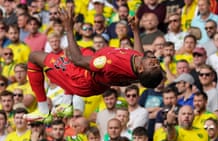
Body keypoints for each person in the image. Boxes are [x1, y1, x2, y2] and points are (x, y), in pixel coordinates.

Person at [26, 7, 164, 119]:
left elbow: (78, 60)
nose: (155, 60)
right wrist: (135, 30)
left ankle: (43, 110)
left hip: (81, 78)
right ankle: (67, 103)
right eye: (157, 63)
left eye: (152, 65)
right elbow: (138, 54)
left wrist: (68, 28)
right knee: (80, 49)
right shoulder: (137, 67)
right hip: (96, 79)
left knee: (35, 57)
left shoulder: (111, 64)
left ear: (141, 68)